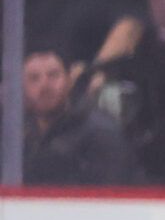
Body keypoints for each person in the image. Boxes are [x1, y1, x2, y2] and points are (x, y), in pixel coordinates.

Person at [22, 44, 140, 186]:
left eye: (53, 75)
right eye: (34, 78)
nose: (45, 85)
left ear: (69, 79)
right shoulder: (18, 136)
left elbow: (109, 199)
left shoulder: (100, 133)